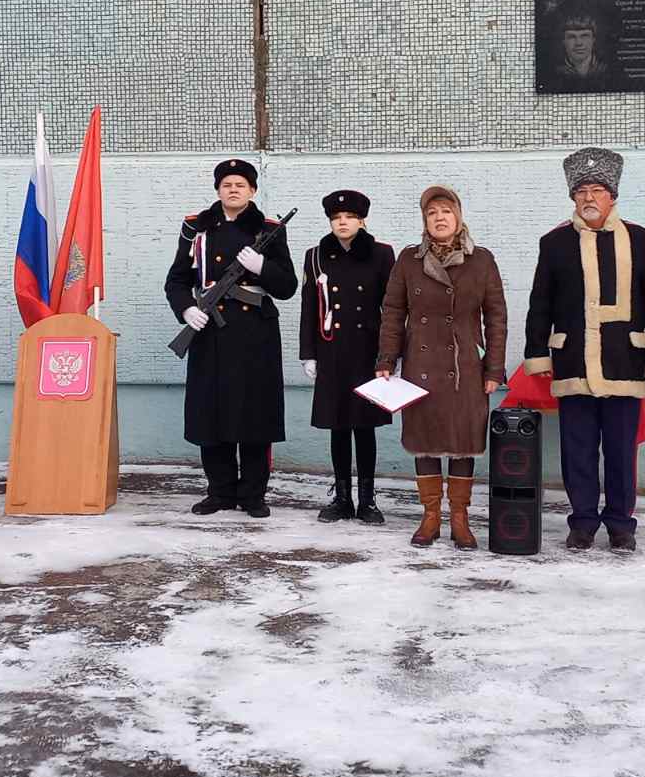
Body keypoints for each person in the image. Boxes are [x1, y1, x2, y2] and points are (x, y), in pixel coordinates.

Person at [524, 148, 645, 552]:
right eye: (582, 192)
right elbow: (540, 303)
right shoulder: (554, 243)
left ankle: (622, 524)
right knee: (578, 450)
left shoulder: (644, 241)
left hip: (625, 361)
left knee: (622, 452)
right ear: (573, 198)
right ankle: (583, 523)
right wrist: (538, 353)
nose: (589, 198)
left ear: (613, 196)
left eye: (597, 190)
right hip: (573, 361)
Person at [376, 186, 508, 549]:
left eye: (446, 211)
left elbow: (496, 317)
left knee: (463, 443)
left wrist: (494, 369)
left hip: (466, 366)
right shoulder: (409, 260)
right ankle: (431, 516)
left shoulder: (481, 260)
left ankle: (461, 519)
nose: (439, 217)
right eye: (432, 212)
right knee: (426, 443)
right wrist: (386, 360)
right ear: (425, 220)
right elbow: (393, 313)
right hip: (421, 366)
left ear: (459, 217)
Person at [165, 158, 297, 518]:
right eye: (227, 184)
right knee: (213, 413)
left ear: (252, 190)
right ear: (218, 190)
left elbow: (287, 286)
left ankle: (253, 494)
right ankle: (220, 491)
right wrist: (186, 310)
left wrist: (262, 267)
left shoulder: (268, 230)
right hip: (211, 333)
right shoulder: (197, 228)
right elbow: (176, 280)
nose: (233, 189)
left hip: (256, 334)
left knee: (254, 414)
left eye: (241, 184)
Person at [299, 190, 395, 524]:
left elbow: (394, 308)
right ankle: (342, 498)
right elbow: (309, 308)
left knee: (364, 426)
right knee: (337, 426)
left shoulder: (382, 254)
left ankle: (367, 501)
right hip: (332, 351)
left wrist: (390, 354)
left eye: (350, 217)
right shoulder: (316, 256)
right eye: (337, 218)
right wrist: (308, 353)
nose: (343, 222)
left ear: (362, 220)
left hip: (368, 353)